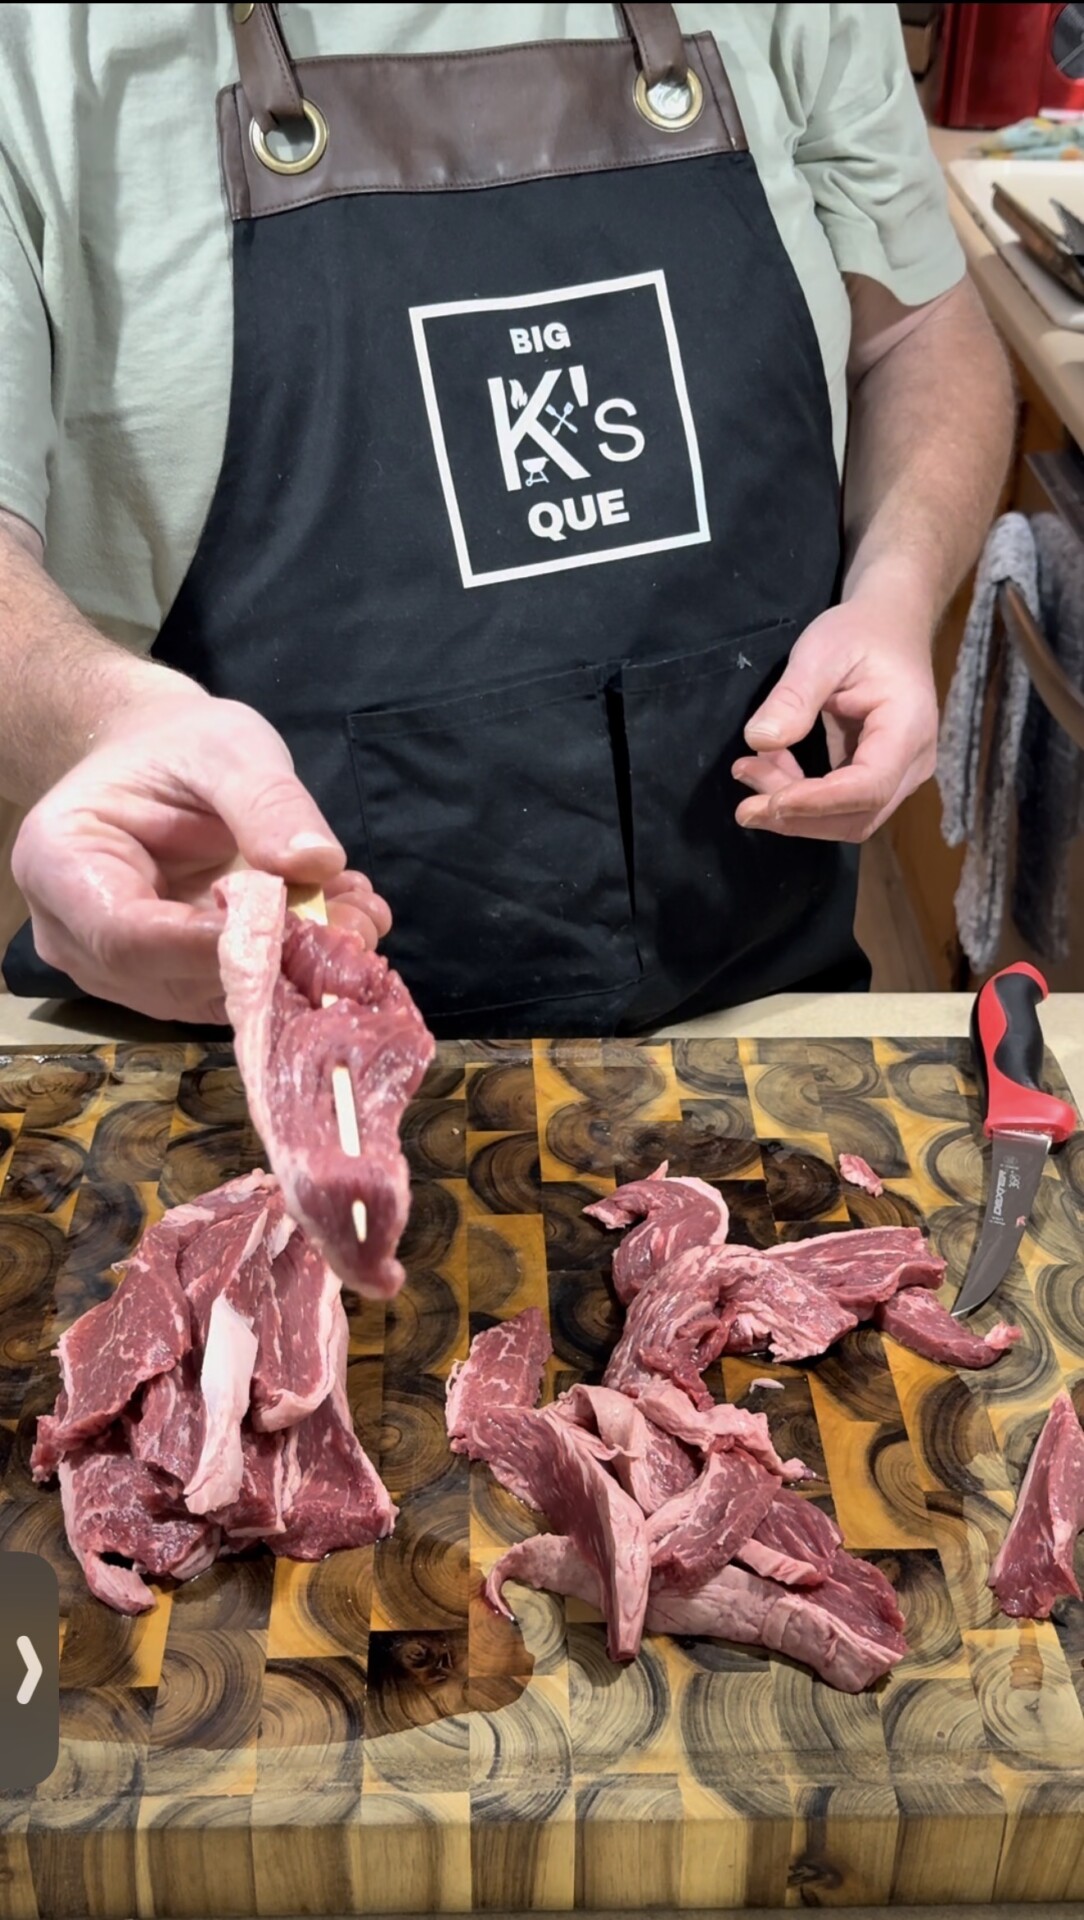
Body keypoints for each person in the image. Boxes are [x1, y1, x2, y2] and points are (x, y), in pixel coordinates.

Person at [0, 3, 1013, 1037]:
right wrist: (101, 720)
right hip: (244, 1045)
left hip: (750, 1020)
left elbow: (923, 331)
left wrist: (896, 588)